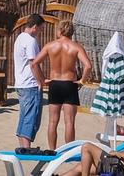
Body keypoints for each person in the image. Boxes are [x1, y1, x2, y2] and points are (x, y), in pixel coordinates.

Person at [32, 21, 92, 151]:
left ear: (59, 31)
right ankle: (69, 151)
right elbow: (88, 66)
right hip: (69, 84)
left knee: (53, 121)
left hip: (55, 84)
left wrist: (41, 80)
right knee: (69, 121)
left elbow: (34, 64)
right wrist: (82, 80)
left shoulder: (50, 46)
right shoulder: (76, 47)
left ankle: (52, 150)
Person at [13, 14, 45, 153]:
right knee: (31, 116)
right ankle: (26, 147)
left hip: (21, 82)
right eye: (40, 28)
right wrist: (40, 81)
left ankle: (23, 146)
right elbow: (34, 64)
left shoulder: (20, 38)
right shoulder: (30, 41)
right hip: (29, 83)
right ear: (34, 27)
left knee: (25, 115)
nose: (40, 31)